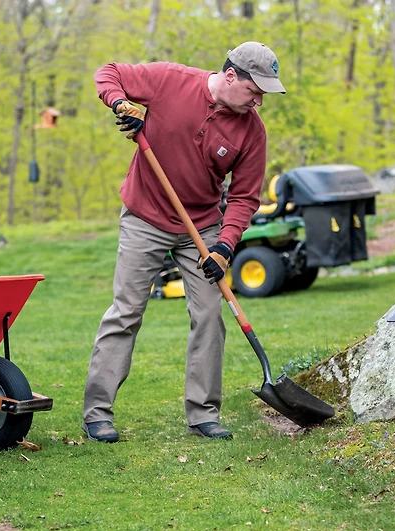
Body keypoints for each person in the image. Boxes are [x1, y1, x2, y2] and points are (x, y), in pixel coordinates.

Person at [82, 42, 286, 443]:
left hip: (203, 226)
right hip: (145, 216)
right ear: (231, 77)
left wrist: (225, 246)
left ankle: (203, 414)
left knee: (210, 315)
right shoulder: (170, 81)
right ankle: (97, 413)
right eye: (254, 90)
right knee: (126, 312)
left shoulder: (252, 131)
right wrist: (121, 104)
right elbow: (108, 72)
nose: (259, 101)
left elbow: (245, 197)